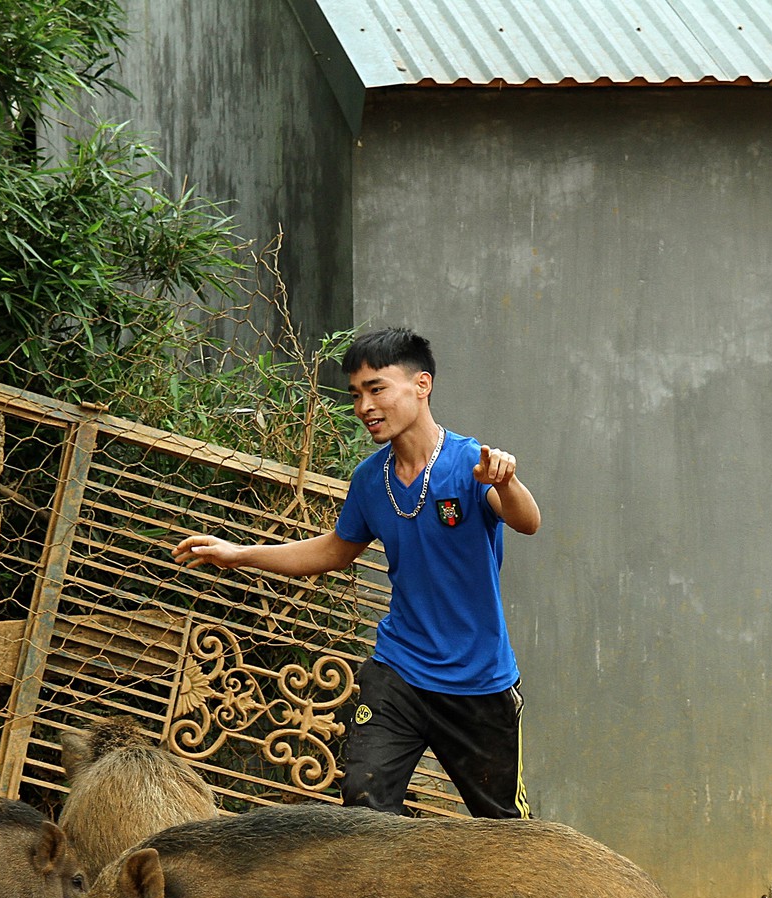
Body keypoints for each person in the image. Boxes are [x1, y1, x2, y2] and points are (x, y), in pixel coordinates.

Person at [171, 328, 541, 817]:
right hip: (400, 672)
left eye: (377, 388)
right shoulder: (371, 478)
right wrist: (239, 554)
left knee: (505, 832)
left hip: (479, 685)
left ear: (421, 385)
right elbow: (334, 551)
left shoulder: (471, 464)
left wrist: (508, 482)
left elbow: (527, 521)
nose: (364, 405)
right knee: (363, 805)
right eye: (356, 394)